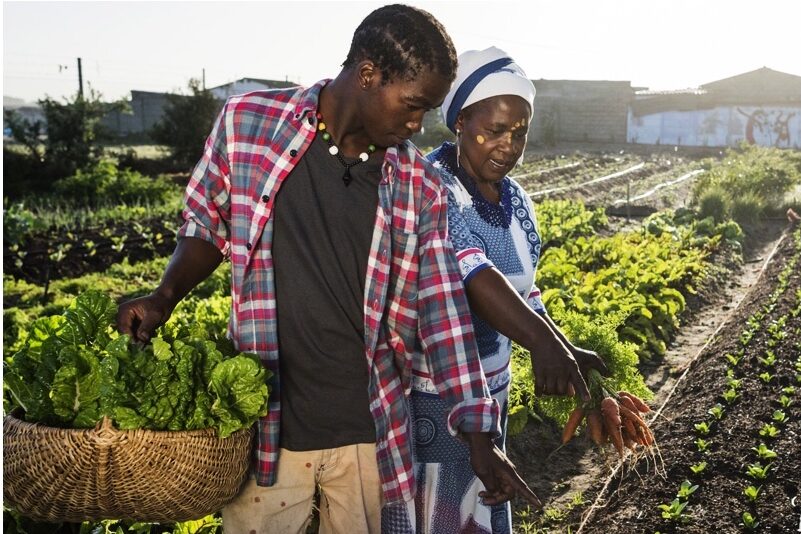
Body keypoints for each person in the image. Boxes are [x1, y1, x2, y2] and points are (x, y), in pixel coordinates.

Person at [116, 8, 554, 534]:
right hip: (269, 435)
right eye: (414, 105)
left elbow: (441, 314)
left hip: (368, 440)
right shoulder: (249, 124)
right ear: (368, 75)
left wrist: (480, 440)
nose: (417, 125)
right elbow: (207, 224)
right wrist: (165, 294)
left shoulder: (418, 184)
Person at [382, 47, 608, 534]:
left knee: (480, 508)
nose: (508, 145)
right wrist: (544, 346)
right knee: (435, 517)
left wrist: (564, 346)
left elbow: (525, 291)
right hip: (435, 399)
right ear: (460, 121)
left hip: (492, 397)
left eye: (520, 132)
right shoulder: (431, 186)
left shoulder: (518, 202)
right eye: (495, 129)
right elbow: (470, 269)